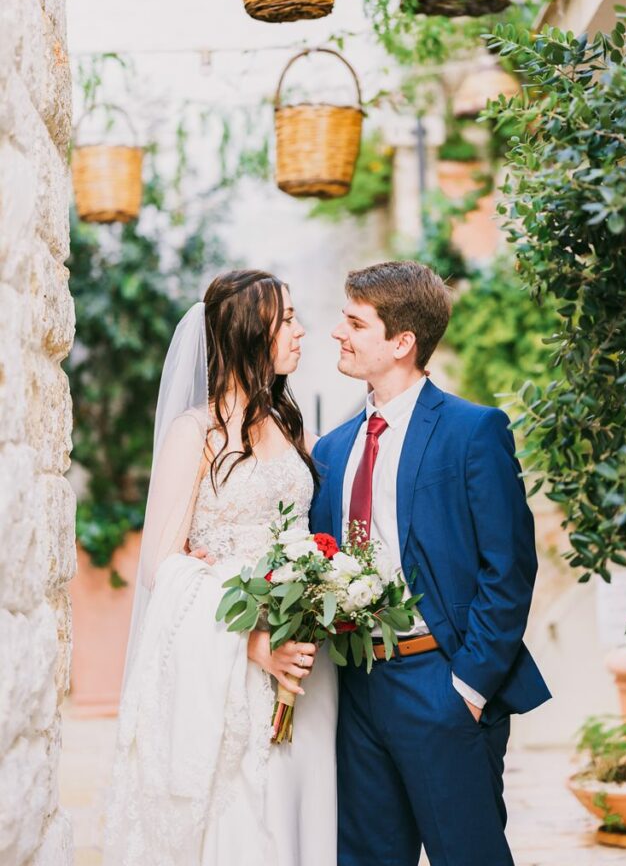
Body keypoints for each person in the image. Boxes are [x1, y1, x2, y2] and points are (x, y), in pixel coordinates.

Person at [309, 260, 551, 866]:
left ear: (401, 342)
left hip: (440, 682)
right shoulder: (331, 449)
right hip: (356, 690)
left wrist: (468, 687)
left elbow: (510, 566)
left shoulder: (474, 431)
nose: (339, 331)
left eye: (355, 322)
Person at [103, 269, 337, 866]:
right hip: (230, 665)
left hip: (306, 663)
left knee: (302, 812)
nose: (301, 332)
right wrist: (254, 643)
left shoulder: (291, 427)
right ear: (247, 332)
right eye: (287, 320)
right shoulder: (195, 434)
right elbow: (163, 565)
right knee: (241, 820)